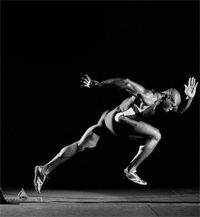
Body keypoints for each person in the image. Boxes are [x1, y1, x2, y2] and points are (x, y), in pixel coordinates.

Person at [34, 75, 198, 192]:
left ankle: (44, 169)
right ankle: (131, 170)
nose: (171, 110)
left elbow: (180, 110)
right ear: (166, 97)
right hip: (117, 121)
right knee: (156, 135)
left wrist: (189, 98)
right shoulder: (148, 96)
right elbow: (125, 82)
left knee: (80, 145)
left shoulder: (164, 103)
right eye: (172, 106)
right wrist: (97, 85)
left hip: (107, 119)